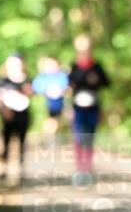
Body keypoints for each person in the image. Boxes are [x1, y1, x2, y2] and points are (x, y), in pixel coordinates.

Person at [68, 35, 110, 184]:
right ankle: (80, 169)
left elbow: (107, 83)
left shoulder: (97, 67)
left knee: (90, 138)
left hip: (93, 107)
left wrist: (97, 80)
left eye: (86, 49)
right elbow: (68, 87)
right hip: (78, 108)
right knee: (79, 138)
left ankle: (88, 168)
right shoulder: (74, 67)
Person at [0, 53, 33, 179]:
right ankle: (4, 171)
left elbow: (31, 93)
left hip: (23, 115)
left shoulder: (26, 79)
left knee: (22, 142)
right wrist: (4, 109)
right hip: (7, 116)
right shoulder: (2, 80)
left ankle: (21, 172)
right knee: (6, 143)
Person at [32, 56, 70, 136]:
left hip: (60, 104)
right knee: (51, 122)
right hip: (46, 105)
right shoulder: (41, 77)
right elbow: (36, 88)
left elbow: (67, 88)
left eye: (54, 64)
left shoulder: (62, 76)